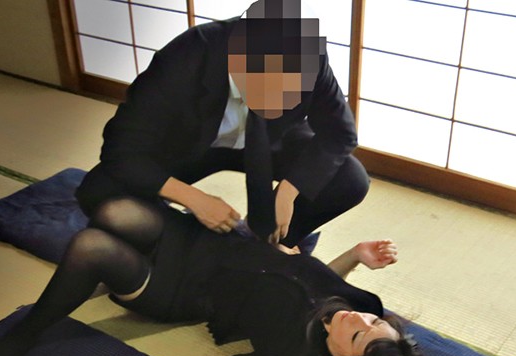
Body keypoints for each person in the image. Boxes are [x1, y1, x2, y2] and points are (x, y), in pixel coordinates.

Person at [0, 198, 424, 356]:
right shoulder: (364, 307)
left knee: (91, 247)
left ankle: (26, 332)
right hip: (214, 244)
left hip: (185, 290)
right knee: (114, 211)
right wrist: (354, 255)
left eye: (360, 335)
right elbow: (319, 284)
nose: (359, 321)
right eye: (375, 324)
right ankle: (104, 275)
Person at [76, 0, 369, 248]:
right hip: (191, 142)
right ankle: (191, 245)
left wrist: (289, 191)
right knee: (99, 191)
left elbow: (341, 134)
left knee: (349, 179)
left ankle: (270, 246)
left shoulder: (310, 58)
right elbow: (120, 149)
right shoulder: (186, 57)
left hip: (269, 140)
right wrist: (194, 199)